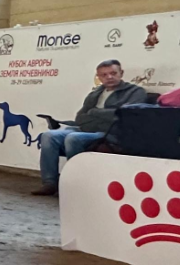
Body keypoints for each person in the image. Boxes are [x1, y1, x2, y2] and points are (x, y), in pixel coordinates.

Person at [33, 59, 146, 196]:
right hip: (87, 129)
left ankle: (77, 184)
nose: (109, 77)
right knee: (48, 136)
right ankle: (49, 183)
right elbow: (80, 118)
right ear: (98, 77)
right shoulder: (95, 93)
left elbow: (125, 116)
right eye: (104, 75)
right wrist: (101, 117)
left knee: (73, 138)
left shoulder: (136, 92)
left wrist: (94, 113)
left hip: (112, 133)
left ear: (121, 73)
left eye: (113, 73)